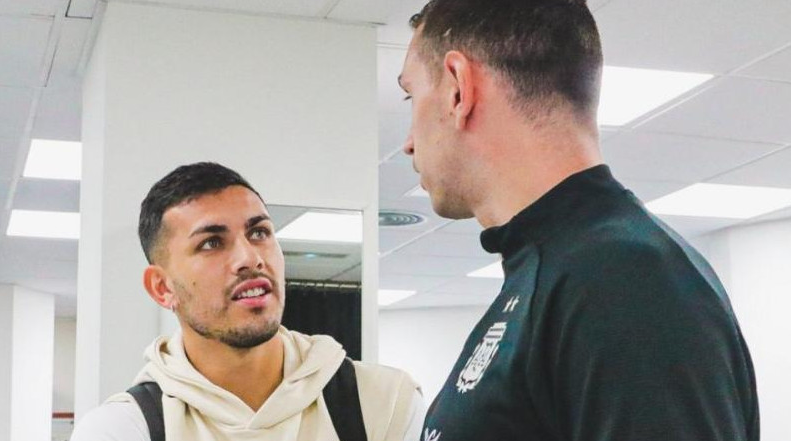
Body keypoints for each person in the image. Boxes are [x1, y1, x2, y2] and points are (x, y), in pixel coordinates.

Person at [398, 1, 759, 440]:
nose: (409, 144)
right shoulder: (556, 272)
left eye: (409, 95)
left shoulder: (624, 280)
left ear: (458, 88)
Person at [71, 162, 424, 441]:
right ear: (162, 287)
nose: (250, 257)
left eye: (259, 233)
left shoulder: (383, 402)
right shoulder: (122, 429)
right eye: (211, 242)